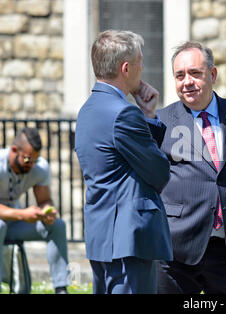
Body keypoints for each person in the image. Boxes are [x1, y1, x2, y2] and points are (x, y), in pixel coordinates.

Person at [156, 41, 226, 294]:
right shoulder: (161, 122)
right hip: (176, 253)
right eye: (179, 75)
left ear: (212, 74)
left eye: (195, 73)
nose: (187, 81)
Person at [74, 30, 172, 294]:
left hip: (102, 238)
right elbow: (160, 172)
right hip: (129, 241)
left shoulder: (87, 110)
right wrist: (148, 118)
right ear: (126, 68)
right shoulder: (124, 113)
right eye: (140, 63)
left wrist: (147, 114)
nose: (143, 69)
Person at [0, 127, 70, 294]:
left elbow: (44, 200)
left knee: (58, 226)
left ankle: (61, 288)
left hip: (15, 224)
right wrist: (22, 214)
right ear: (14, 150)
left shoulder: (40, 168)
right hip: (6, 222)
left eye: (35, 160)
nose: (32, 165)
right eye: (27, 160)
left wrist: (48, 211)